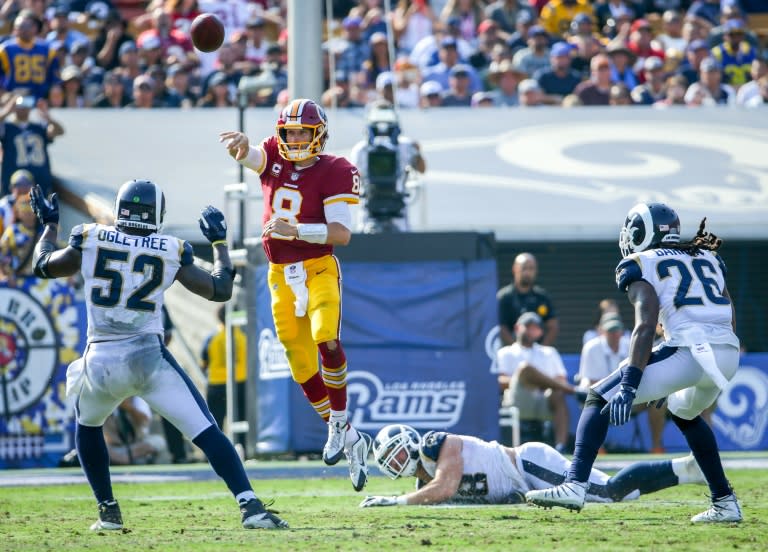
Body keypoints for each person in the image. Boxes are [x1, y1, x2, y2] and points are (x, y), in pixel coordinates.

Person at [28, 180, 288, 530]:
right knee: (207, 431)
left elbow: (43, 264)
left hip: (101, 359)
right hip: (147, 358)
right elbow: (220, 289)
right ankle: (251, 506)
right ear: (158, 214)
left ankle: (108, 512)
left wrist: (49, 226)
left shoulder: (90, 237)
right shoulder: (169, 248)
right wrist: (220, 244)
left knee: (88, 427)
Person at [526, 202, 743, 523]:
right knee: (685, 411)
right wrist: (665, 373)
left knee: (599, 395)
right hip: (727, 352)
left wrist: (631, 383)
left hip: (689, 350)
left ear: (642, 233)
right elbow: (728, 312)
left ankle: (574, 484)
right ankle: (725, 502)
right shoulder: (708, 256)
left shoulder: (641, 262)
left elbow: (645, 323)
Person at [219, 98, 372, 492]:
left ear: (318, 132)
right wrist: (241, 147)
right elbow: (253, 157)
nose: (297, 138)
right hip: (279, 276)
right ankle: (349, 436)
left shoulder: (337, 169)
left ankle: (338, 422)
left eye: (304, 131)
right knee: (300, 364)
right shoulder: (273, 154)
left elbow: (342, 234)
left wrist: (297, 231)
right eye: (291, 132)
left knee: (328, 338)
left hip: (319, 267)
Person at [359, 424, 705, 507]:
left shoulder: (436, 444)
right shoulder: (425, 491)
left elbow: (447, 486)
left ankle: (688, 467)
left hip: (528, 464)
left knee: (610, 492)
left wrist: (395, 502)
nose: (398, 460)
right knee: (612, 495)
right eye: (392, 459)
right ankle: (688, 468)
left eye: (399, 452)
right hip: (523, 487)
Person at [496, 312, 577, 452]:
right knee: (525, 369)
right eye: (528, 327)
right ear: (517, 328)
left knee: (557, 393)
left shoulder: (549, 352)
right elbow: (498, 381)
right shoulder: (504, 352)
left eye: (535, 328)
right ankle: (575, 390)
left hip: (544, 400)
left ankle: (560, 447)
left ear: (540, 332)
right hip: (518, 399)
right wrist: (525, 380)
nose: (531, 331)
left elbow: (560, 381)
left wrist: (540, 383)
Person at [349, 100, 426, 233]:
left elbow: (422, 170)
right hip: (369, 209)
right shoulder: (361, 149)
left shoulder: (406, 146)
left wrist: (418, 153)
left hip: (398, 208)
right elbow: (352, 179)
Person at [201, 304, 248, 453]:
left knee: (215, 422)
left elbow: (203, 362)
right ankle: (243, 450)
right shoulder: (243, 336)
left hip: (216, 384)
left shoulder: (212, 337)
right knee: (241, 419)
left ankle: (216, 452)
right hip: (240, 382)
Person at [0, 94, 64, 197]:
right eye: (20, 104)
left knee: (41, 210)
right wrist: (7, 111)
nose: (23, 108)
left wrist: (48, 117)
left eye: (26, 104)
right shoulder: (7, 127)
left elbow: (59, 131)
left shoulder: (39, 127)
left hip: (40, 181)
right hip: (15, 183)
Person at [497, 252, 559, 346]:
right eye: (524, 268)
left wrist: (540, 350)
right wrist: (518, 351)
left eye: (531, 268)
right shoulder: (504, 297)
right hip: (511, 355)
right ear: (514, 269)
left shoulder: (542, 297)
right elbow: (500, 328)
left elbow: (553, 326)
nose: (527, 272)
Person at [102, 397, 167, 465]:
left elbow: (144, 423)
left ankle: (127, 458)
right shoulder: (103, 400)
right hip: (112, 448)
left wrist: (129, 408)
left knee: (158, 441)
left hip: (135, 445)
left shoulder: (137, 398)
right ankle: (124, 459)